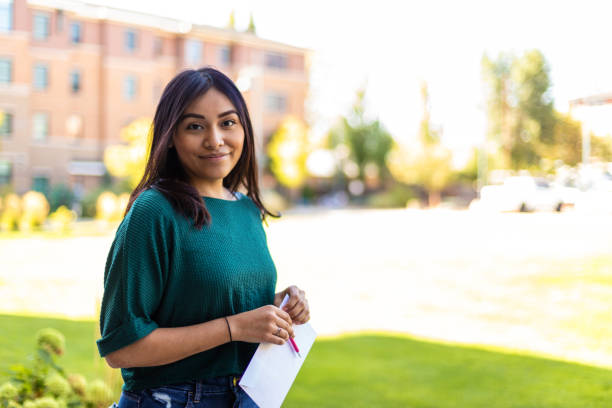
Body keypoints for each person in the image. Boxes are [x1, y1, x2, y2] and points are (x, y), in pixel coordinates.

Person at [96, 67, 310, 408]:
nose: (215, 139)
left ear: (244, 130)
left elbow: (202, 300)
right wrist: (235, 327)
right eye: (195, 126)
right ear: (171, 136)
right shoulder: (154, 211)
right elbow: (122, 347)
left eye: (228, 123)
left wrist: (275, 304)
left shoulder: (246, 209)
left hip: (246, 395)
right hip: (171, 399)